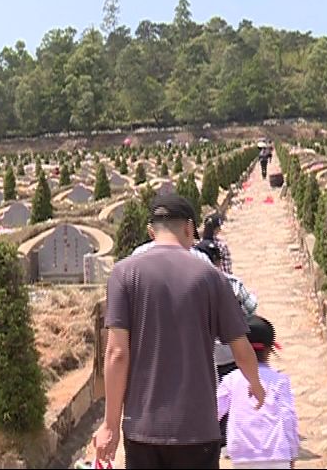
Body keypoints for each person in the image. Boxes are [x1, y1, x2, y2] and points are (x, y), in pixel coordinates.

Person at [94, 193, 266, 470]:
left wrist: (110, 425)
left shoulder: (123, 274)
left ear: (151, 231)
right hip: (197, 428)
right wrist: (256, 384)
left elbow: (116, 353)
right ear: (188, 227)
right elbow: (240, 345)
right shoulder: (210, 276)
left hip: (142, 429)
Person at [193, 239, 258, 453]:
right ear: (219, 262)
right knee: (237, 394)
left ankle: (218, 436)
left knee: (216, 395)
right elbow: (251, 309)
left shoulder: (191, 288)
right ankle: (234, 434)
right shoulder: (233, 283)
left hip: (206, 354)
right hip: (233, 350)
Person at [217, 315, 299, 470]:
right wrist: (293, 452)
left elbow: (214, 413)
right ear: (269, 350)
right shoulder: (280, 381)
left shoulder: (230, 381)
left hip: (242, 456)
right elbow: (288, 417)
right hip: (277, 456)